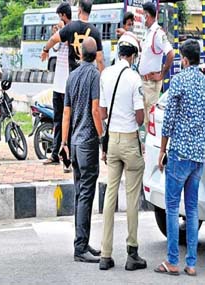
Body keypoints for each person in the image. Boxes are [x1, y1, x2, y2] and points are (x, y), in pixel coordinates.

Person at [154, 39, 205, 277]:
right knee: (192, 210)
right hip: (199, 157)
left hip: (179, 155)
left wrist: (162, 151)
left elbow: (168, 122)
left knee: (173, 208)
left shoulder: (179, 81)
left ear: (184, 59)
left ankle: (173, 261)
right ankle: (192, 264)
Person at [98, 33, 146, 271]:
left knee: (110, 196)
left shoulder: (106, 74)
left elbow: (102, 112)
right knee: (132, 197)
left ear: (119, 54)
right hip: (129, 140)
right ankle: (132, 252)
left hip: (112, 141)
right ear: (133, 55)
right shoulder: (134, 78)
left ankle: (105, 255)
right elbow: (139, 118)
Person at [60, 37, 103, 263]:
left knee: (80, 193)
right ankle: (80, 248)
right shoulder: (95, 75)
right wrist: (102, 136)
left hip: (74, 144)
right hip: (87, 143)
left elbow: (66, 113)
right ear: (95, 55)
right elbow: (96, 110)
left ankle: (82, 242)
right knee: (86, 195)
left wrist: (64, 142)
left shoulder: (72, 76)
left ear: (79, 54)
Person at [43, 2, 72, 174]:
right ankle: (55, 153)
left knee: (69, 122)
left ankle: (67, 155)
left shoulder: (71, 31)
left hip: (67, 84)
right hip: (58, 84)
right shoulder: (60, 34)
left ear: (63, 15)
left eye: (59, 16)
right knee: (58, 121)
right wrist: (55, 34)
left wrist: (59, 31)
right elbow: (54, 47)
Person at [41, 0, 104, 73]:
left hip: (73, 73)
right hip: (88, 74)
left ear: (79, 10)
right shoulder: (95, 32)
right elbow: (99, 60)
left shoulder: (70, 27)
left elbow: (53, 39)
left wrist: (45, 50)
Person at [138, 2, 174, 127]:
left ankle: (151, 145)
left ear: (147, 15)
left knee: (151, 121)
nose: (143, 18)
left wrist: (162, 75)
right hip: (144, 82)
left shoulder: (158, 33)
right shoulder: (148, 32)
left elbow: (171, 53)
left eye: (144, 15)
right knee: (145, 119)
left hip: (151, 84)